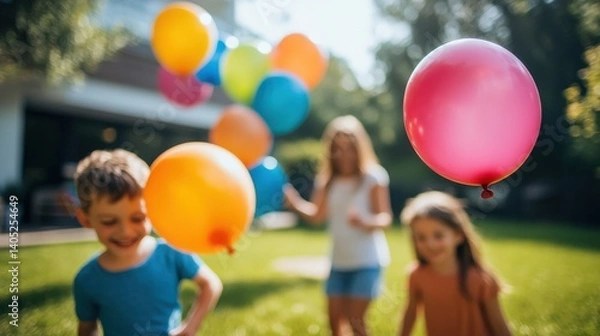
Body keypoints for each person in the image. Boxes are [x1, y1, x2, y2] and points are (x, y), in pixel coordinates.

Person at [72, 149, 223, 336]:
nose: (126, 231)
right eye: (109, 221)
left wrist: (189, 327)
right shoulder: (87, 279)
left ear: (154, 208)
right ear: (85, 218)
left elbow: (211, 284)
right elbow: (87, 329)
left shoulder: (171, 252)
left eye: (137, 218)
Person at [284, 115, 392, 336]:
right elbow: (317, 216)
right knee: (335, 322)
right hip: (339, 262)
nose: (344, 155)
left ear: (359, 148)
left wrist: (365, 221)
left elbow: (385, 218)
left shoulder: (373, 177)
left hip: (367, 261)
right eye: (338, 148)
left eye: (350, 148)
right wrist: (295, 205)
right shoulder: (327, 181)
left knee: (355, 321)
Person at [397, 191, 511, 336]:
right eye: (421, 237)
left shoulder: (481, 279)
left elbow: (500, 326)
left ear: (458, 235)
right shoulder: (416, 275)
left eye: (438, 236)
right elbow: (410, 313)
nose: (430, 244)